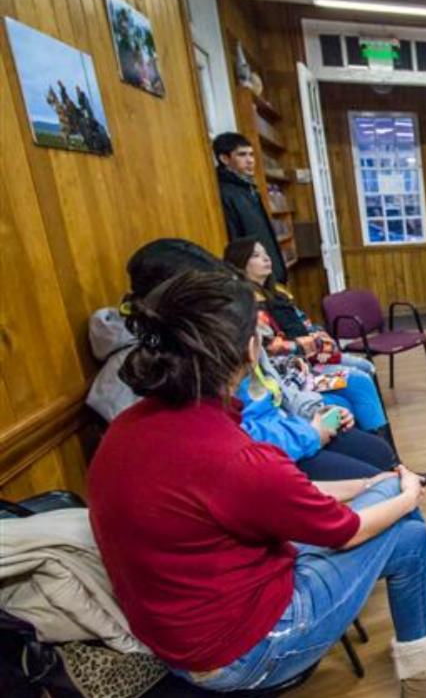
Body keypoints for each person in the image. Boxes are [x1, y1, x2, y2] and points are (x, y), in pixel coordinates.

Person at [88, 270, 426, 698]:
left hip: (180, 634)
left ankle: (425, 619)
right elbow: (344, 531)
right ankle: (425, 672)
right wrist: (409, 494)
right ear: (249, 350)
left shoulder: (128, 428)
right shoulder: (232, 455)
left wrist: (372, 485)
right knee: (410, 536)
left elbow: (278, 498)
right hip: (239, 651)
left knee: (386, 495)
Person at [86, 238, 397, 482]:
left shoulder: (229, 326)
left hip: (286, 433)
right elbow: (221, 450)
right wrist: (310, 433)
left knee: (379, 455)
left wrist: (315, 410)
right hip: (264, 458)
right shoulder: (152, 367)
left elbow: (272, 386)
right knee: (381, 483)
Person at [223, 238, 393, 443]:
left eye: (266, 253)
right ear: (240, 263)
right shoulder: (248, 306)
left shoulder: (278, 294)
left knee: (365, 367)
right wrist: (315, 343)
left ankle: (380, 441)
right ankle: (379, 443)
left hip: (310, 358)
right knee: (359, 379)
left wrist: (318, 337)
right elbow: (273, 348)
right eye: (256, 256)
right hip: (296, 369)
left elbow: (306, 323)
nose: (266, 259)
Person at [214, 132, 287, 284]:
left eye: (251, 154)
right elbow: (236, 242)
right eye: (242, 155)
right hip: (253, 278)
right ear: (224, 159)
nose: (250, 160)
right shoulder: (224, 192)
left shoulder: (247, 187)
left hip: (269, 273)